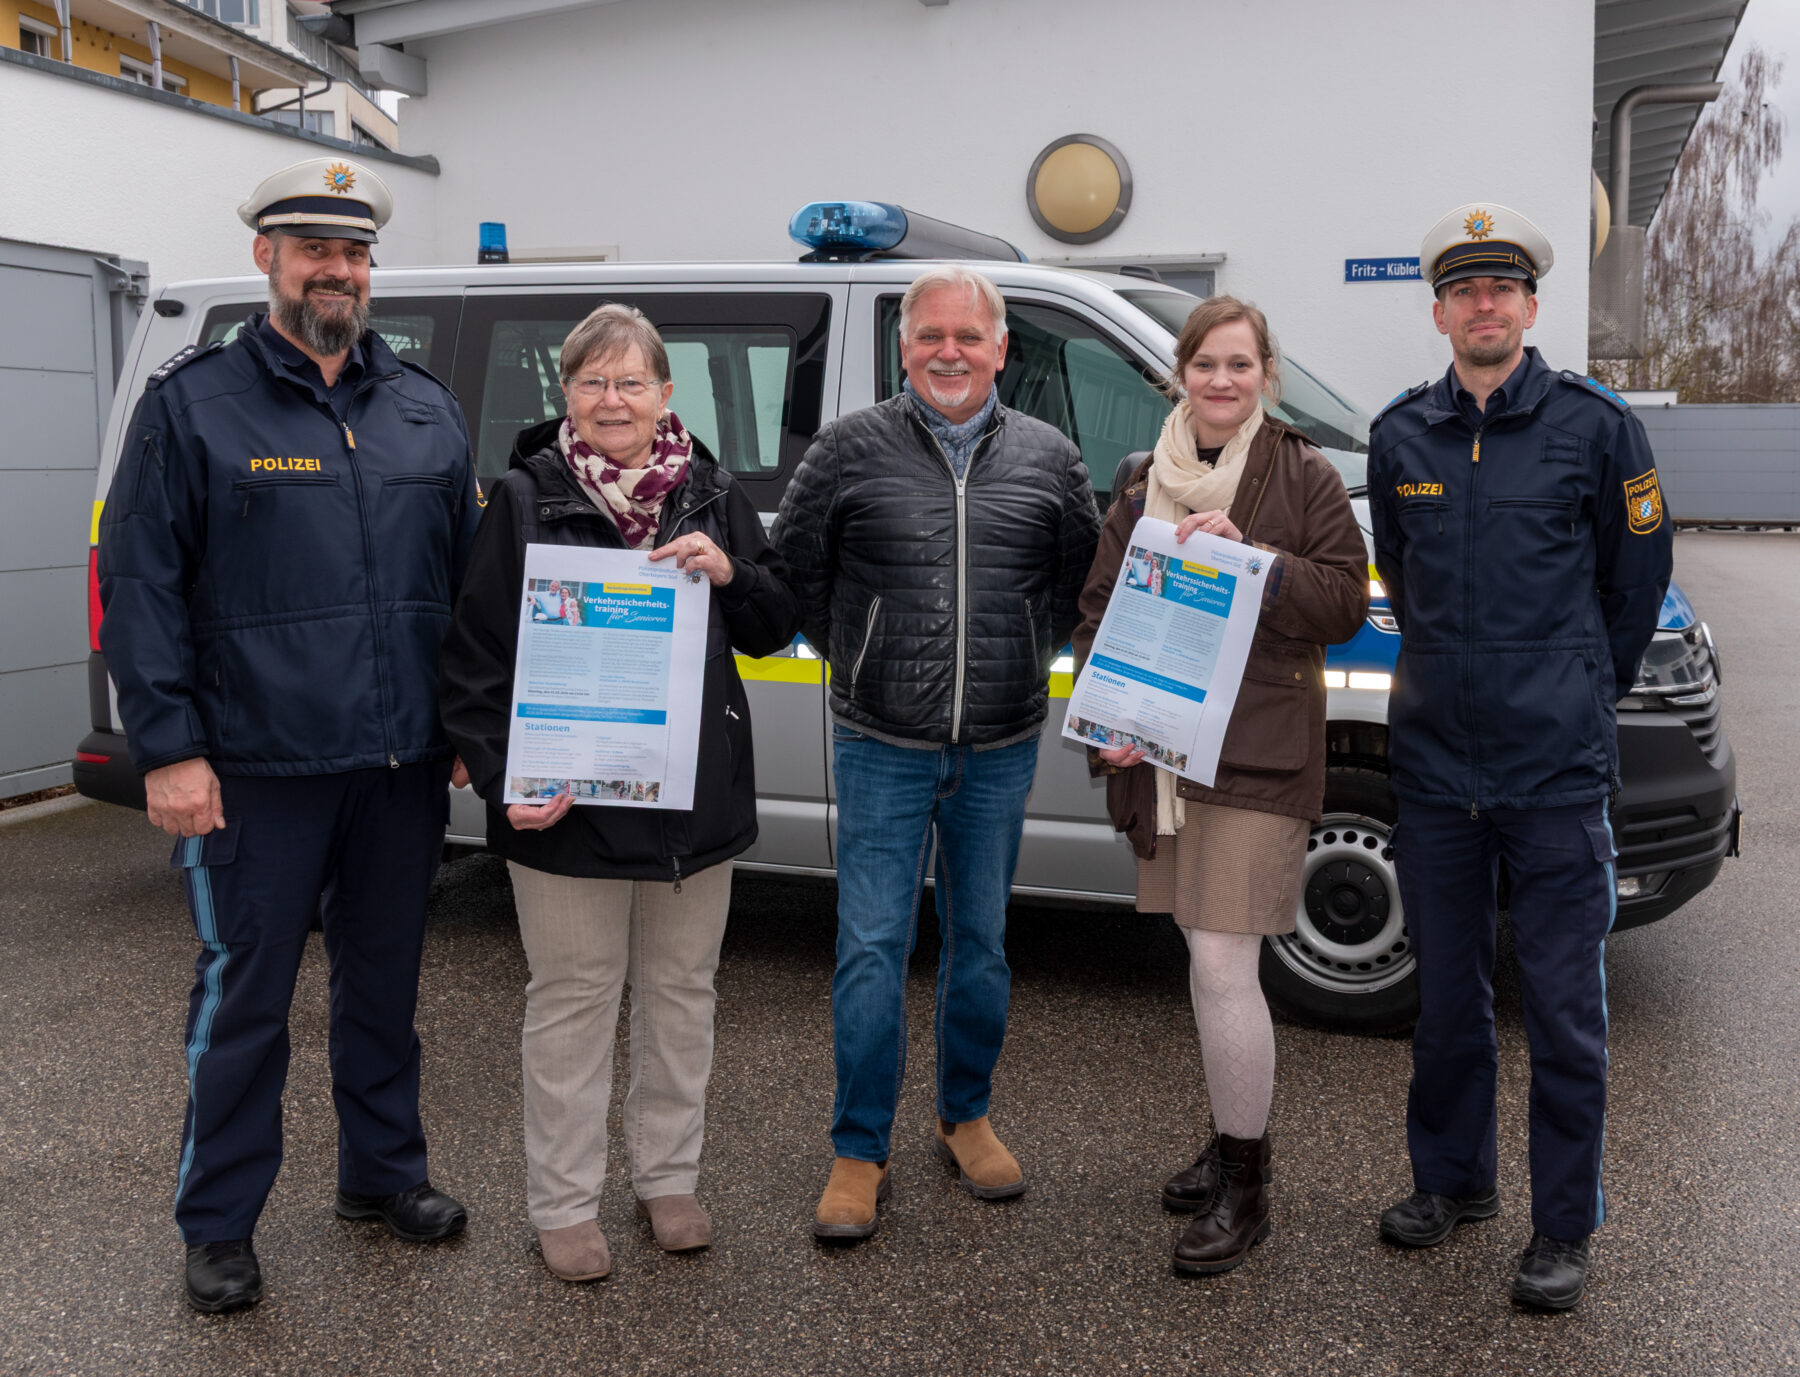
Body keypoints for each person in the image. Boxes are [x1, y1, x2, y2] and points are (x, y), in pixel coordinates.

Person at [97, 158, 483, 1314]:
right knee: (244, 1004)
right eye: (316, 249)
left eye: (355, 253)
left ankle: (383, 1174)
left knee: (385, 988)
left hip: (398, 766)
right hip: (252, 771)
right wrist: (169, 750)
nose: (338, 271)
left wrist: (468, 728)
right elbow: (141, 588)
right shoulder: (194, 405)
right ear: (267, 256)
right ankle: (219, 1224)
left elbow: (465, 588)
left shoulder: (424, 409)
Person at [437, 303, 798, 1282]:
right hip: (567, 812)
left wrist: (732, 573)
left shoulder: (713, 494)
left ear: (664, 393)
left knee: (682, 997)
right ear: (567, 394)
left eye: (631, 381)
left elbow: (774, 624)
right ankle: (563, 1203)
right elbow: (473, 661)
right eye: (593, 381)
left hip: (691, 808)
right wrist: (504, 779)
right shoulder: (523, 500)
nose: (612, 399)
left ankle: (667, 1180)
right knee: (572, 1002)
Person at [1367, 204, 1673, 1311]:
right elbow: (1403, 580)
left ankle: (1562, 1225)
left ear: (1532, 307)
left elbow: (1634, 582)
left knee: (1563, 1014)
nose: (1483, 305)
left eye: (1501, 289)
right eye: (1464, 291)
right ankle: (1454, 1181)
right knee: (1447, 1002)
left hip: (1555, 777)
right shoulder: (1401, 436)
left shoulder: (1598, 427)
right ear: (1440, 313)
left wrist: (1579, 687)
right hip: (1436, 773)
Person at [773, 266, 1102, 1241]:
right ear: (903, 347)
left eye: (967, 336)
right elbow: (799, 572)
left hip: (999, 744)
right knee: (871, 948)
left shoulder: (1051, 457)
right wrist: (864, 656)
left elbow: (1076, 586)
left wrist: (1015, 656)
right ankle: (858, 1148)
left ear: (1001, 349)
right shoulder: (847, 449)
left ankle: (965, 1115)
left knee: (983, 946)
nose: (948, 352)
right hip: (880, 743)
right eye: (930, 336)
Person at [1073, 297, 1368, 1275]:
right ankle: (1231, 1131)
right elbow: (1100, 614)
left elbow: (1344, 602)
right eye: (1206, 364)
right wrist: (1108, 727)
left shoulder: (1304, 472)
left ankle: (1249, 1184)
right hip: (1162, 760)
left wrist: (1256, 563)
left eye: (1241, 365)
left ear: (1266, 375)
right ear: (1180, 374)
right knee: (1205, 960)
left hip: (1255, 758)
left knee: (1221, 964)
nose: (1222, 381)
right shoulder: (1141, 480)